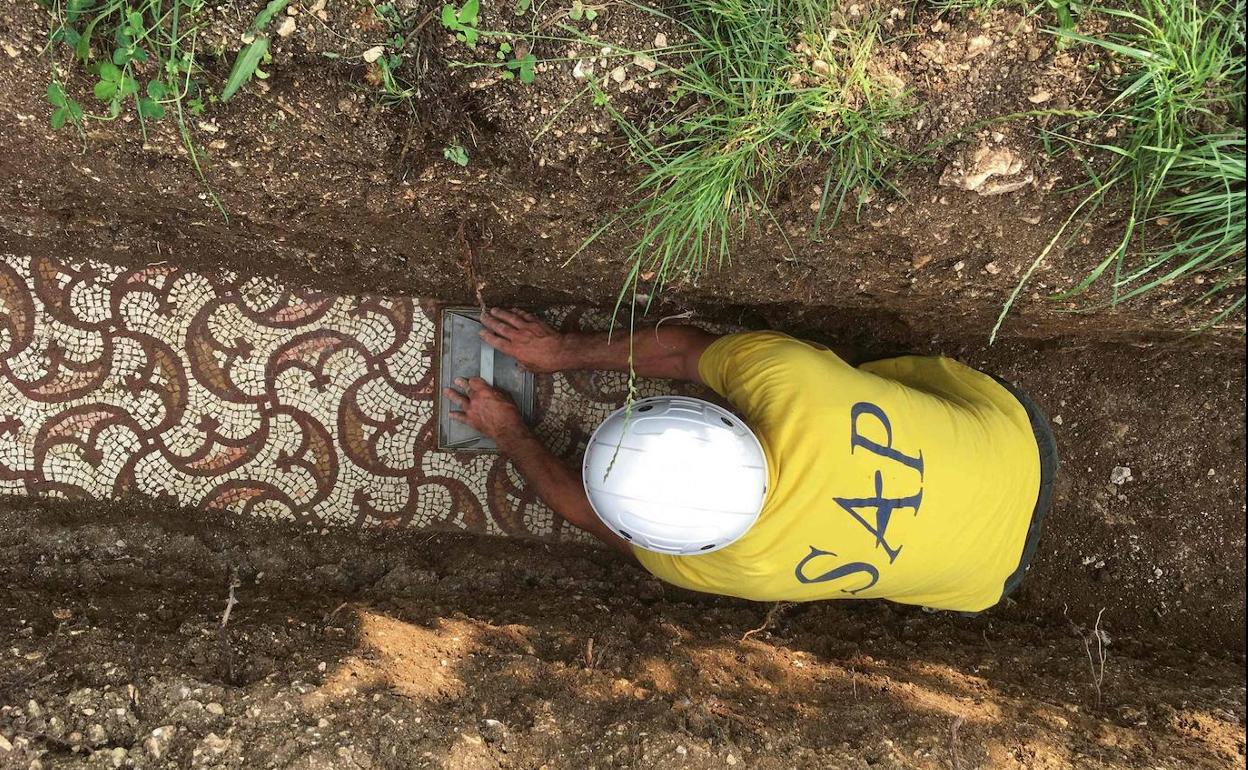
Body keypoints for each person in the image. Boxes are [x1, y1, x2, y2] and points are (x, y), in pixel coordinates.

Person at [442, 308, 1058, 613]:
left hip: (988, 574)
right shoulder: (789, 381)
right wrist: (561, 352)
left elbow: (582, 511)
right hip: (1013, 436)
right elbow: (686, 353)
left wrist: (508, 432)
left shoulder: (741, 567)